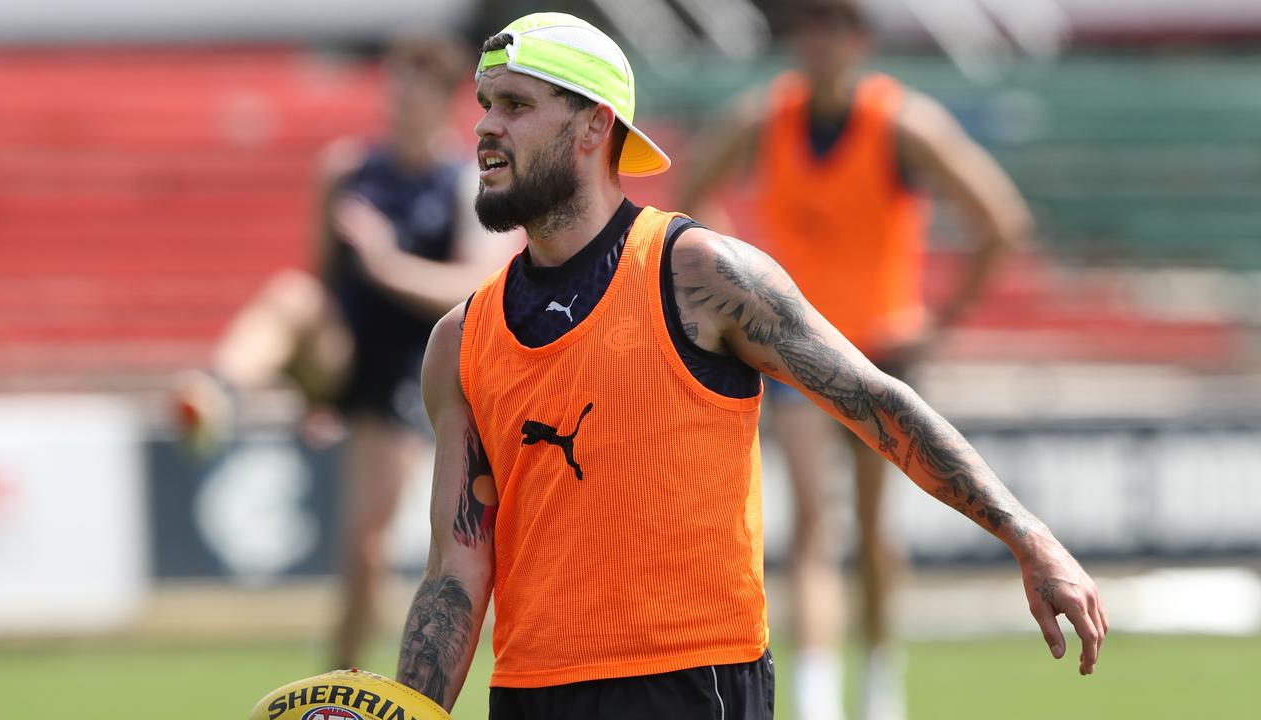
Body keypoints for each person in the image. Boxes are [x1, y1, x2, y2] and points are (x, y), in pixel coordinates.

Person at [395, 12, 1104, 720]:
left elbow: (877, 402)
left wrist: (1028, 537)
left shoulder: (700, 275)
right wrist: (413, 710)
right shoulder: (459, 341)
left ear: (593, 127)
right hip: (527, 696)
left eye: (516, 105)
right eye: (487, 104)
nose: (486, 125)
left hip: (692, 687)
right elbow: (455, 571)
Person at [678, 2, 1034, 717]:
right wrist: (737, 289)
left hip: (883, 353)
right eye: (805, 26)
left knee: (874, 533)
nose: (816, 42)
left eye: (830, 26)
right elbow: (690, 196)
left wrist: (940, 321)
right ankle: (815, 694)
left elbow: (1001, 221)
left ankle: (878, 683)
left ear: (858, 40)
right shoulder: (763, 118)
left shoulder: (904, 123)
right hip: (797, 352)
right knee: (812, 520)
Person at [172, 30, 517, 670]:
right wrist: (312, 390)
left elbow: (476, 284)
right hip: (343, 353)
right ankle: (218, 391)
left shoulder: (461, 183)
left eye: (414, 92)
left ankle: (342, 677)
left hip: (411, 371)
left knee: (364, 545)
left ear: (442, 100)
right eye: (395, 90)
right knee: (290, 295)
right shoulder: (346, 168)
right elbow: (323, 278)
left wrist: (387, 262)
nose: (399, 103)